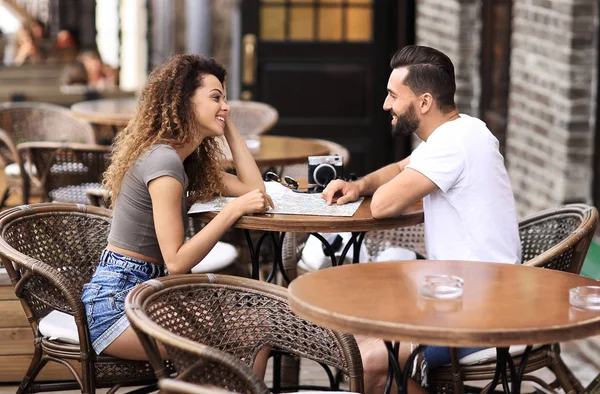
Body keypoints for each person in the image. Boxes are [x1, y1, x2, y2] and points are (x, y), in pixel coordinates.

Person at [321, 45, 522, 393]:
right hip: (467, 293)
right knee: (351, 338)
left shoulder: (451, 144)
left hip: (480, 308)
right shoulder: (464, 130)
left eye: (393, 96)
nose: (386, 105)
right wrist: (359, 185)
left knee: (366, 364)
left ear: (424, 102)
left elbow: (384, 205)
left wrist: (377, 191)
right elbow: (403, 168)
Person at [81, 54, 273, 366]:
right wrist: (233, 210)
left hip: (147, 294)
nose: (224, 105)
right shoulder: (164, 162)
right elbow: (177, 261)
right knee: (253, 333)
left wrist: (227, 124)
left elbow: (255, 190)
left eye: (225, 99)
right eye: (215, 97)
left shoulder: (185, 161)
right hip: (117, 308)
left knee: (256, 328)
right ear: (184, 102)